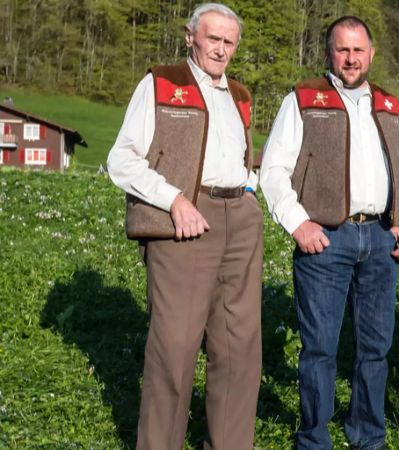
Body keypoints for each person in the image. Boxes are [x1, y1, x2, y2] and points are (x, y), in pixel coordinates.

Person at [258, 15, 399, 450]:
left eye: (358, 50)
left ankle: (368, 436)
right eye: (342, 49)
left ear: (371, 54)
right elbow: (273, 170)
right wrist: (298, 223)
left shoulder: (390, 105)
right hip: (326, 240)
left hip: (380, 239)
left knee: (375, 348)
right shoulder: (304, 98)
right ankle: (314, 439)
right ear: (329, 53)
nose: (351, 58)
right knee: (319, 350)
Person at [106, 3, 261, 448]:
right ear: (190, 36)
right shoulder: (161, 82)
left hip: (241, 221)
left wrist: (249, 190)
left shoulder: (240, 95)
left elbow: (236, 157)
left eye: (229, 42)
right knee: (173, 350)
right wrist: (174, 199)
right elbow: (121, 158)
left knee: (239, 351)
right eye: (213, 38)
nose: (221, 49)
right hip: (184, 223)